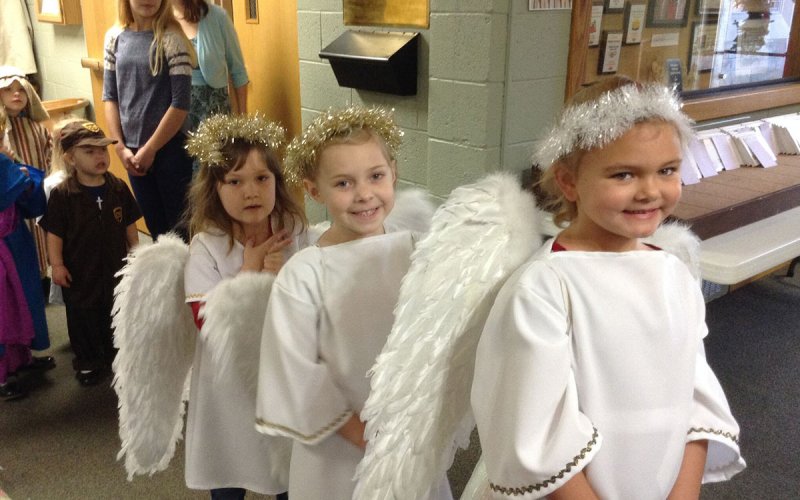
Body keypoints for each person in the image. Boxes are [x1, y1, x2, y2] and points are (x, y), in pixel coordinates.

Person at [470, 77, 745, 498]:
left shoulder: (674, 274)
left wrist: (682, 493)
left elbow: (695, 397)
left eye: (667, 170)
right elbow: (533, 427)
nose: (650, 191)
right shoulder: (546, 287)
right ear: (568, 182)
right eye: (624, 174)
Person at [254, 107, 450, 500]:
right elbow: (296, 369)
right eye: (343, 183)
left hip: (408, 433)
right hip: (340, 445)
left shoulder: (417, 250)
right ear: (314, 191)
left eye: (375, 176)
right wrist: (363, 433)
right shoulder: (304, 274)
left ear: (393, 172)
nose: (364, 194)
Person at [182, 114, 307, 500]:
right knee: (231, 457)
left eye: (261, 179)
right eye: (234, 181)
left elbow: (316, 298)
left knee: (287, 462)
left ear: (277, 182)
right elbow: (206, 321)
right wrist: (249, 275)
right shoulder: (208, 245)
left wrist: (286, 277)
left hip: (281, 369)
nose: (250, 191)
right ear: (214, 189)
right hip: (228, 383)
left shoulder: (293, 229)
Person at [39, 120, 140, 386]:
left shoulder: (117, 186)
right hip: (80, 271)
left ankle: (116, 355)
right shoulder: (63, 194)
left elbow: (130, 222)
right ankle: (88, 362)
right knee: (84, 315)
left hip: (115, 265)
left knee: (116, 309)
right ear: (70, 157)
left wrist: (137, 254)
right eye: (89, 151)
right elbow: (54, 233)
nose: (99, 156)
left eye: (102, 150)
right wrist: (57, 265)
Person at [103, 0, 197, 241]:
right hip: (132, 153)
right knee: (157, 230)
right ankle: (166, 279)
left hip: (170, 151)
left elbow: (180, 104)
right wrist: (119, 146)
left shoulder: (172, 39)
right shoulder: (114, 38)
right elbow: (110, 97)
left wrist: (151, 148)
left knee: (181, 231)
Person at [0, 150, 52, 400]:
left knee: (26, 300)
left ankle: (22, 359)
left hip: (16, 241)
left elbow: (27, 197)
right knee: (4, 311)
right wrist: (12, 173)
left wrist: (19, 173)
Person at [0, 66, 52, 291]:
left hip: (33, 191)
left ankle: (41, 276)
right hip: (9, 200)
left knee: (39, 234)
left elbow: (49, 156)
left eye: (21, 90)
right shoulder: (2, 130)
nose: (16, 94)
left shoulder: (36, 129)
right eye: (9, 90)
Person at [172, 0, 249, 131]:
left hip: (216, 113)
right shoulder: (160, 20)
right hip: (175, 116)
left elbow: (238, 71)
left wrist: (243, 121)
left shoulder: (218, 17)